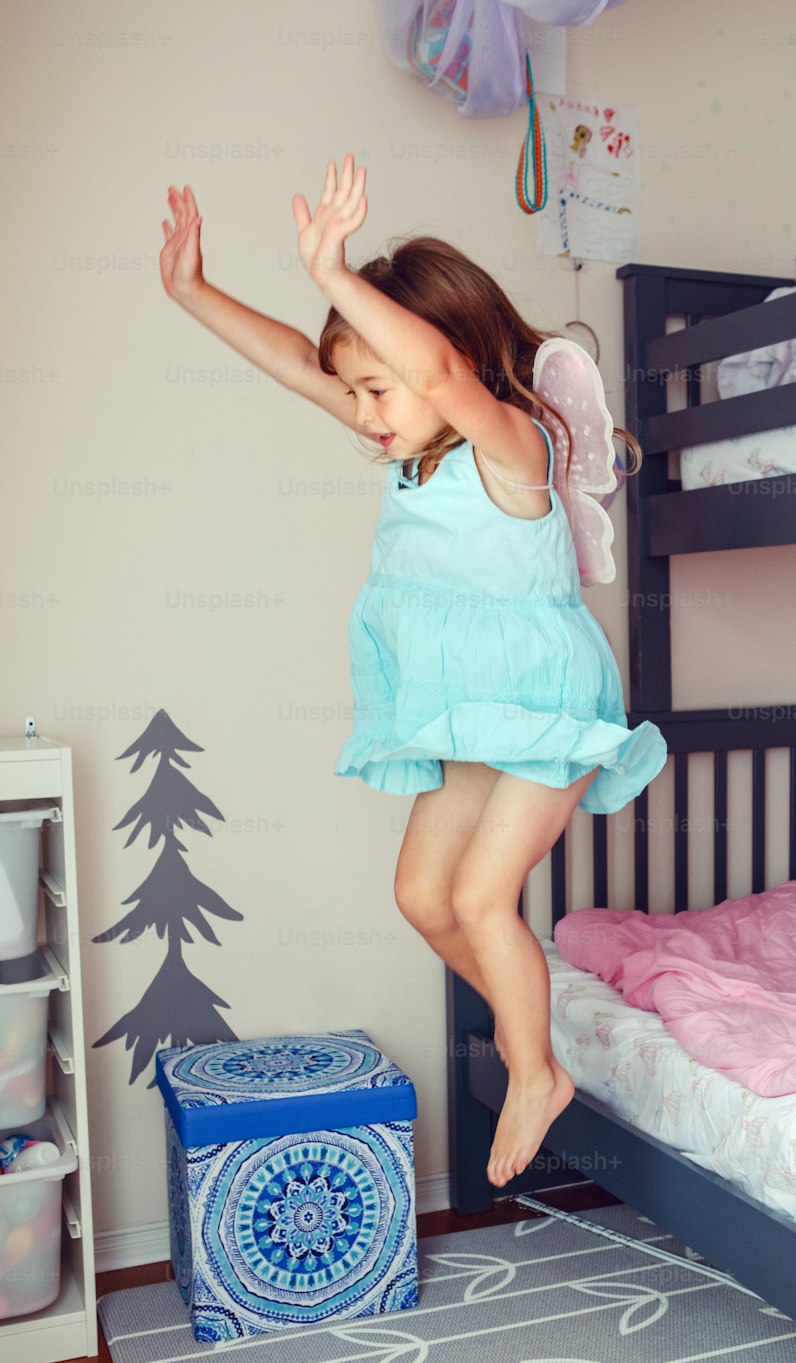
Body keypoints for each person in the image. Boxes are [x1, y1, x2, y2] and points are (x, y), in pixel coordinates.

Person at [159, 155, 667, 1189]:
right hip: (464, 710)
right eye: (358, 392)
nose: (366, 410)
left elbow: (433, 377)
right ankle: (548, 1024)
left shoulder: (508, 444)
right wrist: (191, 291)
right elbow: (303, 365)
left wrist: (340, 275)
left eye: (377, 387)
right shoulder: (410, 448)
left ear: (452, 361)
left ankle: (537, 1071)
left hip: (545, 701)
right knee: (422, 896)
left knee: (484, 898)